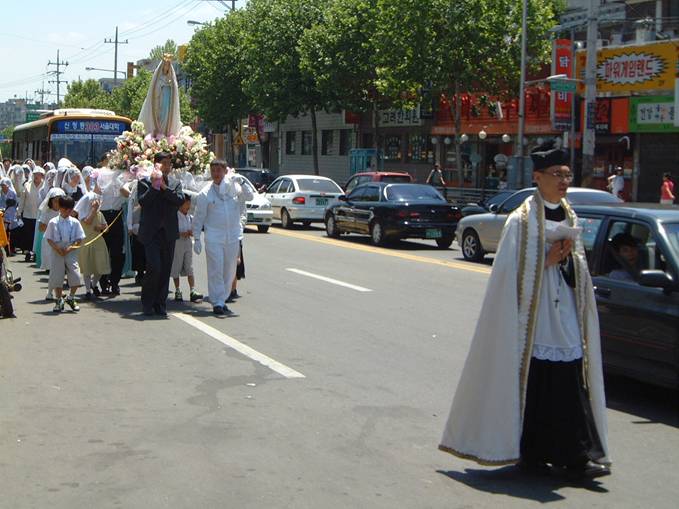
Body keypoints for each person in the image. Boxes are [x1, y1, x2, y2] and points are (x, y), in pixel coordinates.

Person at [439, 140, 610, 480]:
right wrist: (546, 261)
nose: (563, 181)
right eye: (557, 174)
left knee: (569, 381)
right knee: (536, 385)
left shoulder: (570, 214)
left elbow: (580, 266)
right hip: (531, 314)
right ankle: (532, 454)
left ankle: (575, 454)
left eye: (567, 175)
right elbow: (506, 272)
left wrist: (565, 262)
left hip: (564, 312)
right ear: (537, 177)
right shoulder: (521, 220)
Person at [193, 161, 252, 315]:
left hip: (232, 236)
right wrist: (197, 237)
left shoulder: (235, 188)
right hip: (214, 237)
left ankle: (223, 298)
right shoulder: (206, 193)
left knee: (230, 270)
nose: (216, 174)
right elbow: (199, 217)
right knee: (216, 269)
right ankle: (217, 301)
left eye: (219, 170)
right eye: (213, 171)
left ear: (226, 171)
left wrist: (243, 183)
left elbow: (250, 197)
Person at [137, 152, 185, 316]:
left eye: (169, 164)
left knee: (165, 269)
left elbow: (179, 200)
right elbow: (143, 201)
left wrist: (164, 188)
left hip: (168, 233)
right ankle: (147, 302)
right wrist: (154, 186)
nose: (167, 167)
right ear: (156, 165)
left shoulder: (175, 183)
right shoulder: (144, 182)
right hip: (151, 233)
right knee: (154, 267)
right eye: (164, 163)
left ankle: (160, 304)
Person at [44, 196, 85, 313]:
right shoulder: (53, 222)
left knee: (76, 275)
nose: (67, 212)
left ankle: (71, 297)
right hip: (57, 251)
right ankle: (58, 299)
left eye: (70, 210)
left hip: (70, 251)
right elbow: (49, 238)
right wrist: (57, 249)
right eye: (65, 209)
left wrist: (70, 248)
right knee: (57, 275)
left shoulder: (75, 222)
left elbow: (79, 238)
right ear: (60, 208)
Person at [74, 192, 111, 300]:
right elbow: (88, 221)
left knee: (100, 268)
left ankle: (94, 284)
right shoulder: (83, 213)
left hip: (98, 242)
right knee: (87, 268)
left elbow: (106, 228)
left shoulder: (100, 214)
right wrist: (94, 210)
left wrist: (101, 227)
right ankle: (88, 291)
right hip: (86, 243)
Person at [98, 168, 126, 296]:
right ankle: (103, 283)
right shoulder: (100, 180)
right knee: (102, 251)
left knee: (117, 253)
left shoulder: (121, 180)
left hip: (116, 215)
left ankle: (114, 282)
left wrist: (117, 182)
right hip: (102, 216)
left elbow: (128, 194)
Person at [171, 195, 202, 303]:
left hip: (187, 242)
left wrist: (191, 232)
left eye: (189, 204)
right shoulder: (175, 216)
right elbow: (172, 231)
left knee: (189, 266)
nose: (188, 206)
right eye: (186, 204)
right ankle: (177, 290)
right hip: (178, 243)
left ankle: (192, 290)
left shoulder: (189, 216)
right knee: (176, 266)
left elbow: (195, 228)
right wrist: (181, 233)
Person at [18, 166, 44, 262]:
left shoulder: (45, 186)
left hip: (40, 216)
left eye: (39, 174)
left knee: (37, 236)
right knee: (28, 236)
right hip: (28, 215)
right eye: (35, 174)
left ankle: (36, 254)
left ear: (42, 176)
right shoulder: (27, 185)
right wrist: (19, 212)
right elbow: (22, 200)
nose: (36, 176)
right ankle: (28, 253)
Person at [0, 177, 20, 256]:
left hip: (11, 215)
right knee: (4, 233)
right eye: (2, 186)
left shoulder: (12, 193)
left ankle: (11, 249)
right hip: (2, 215)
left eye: (4, 186)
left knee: (11, 233)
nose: (3, 187)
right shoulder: (0, 192)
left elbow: (16, 203)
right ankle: (5, 250)